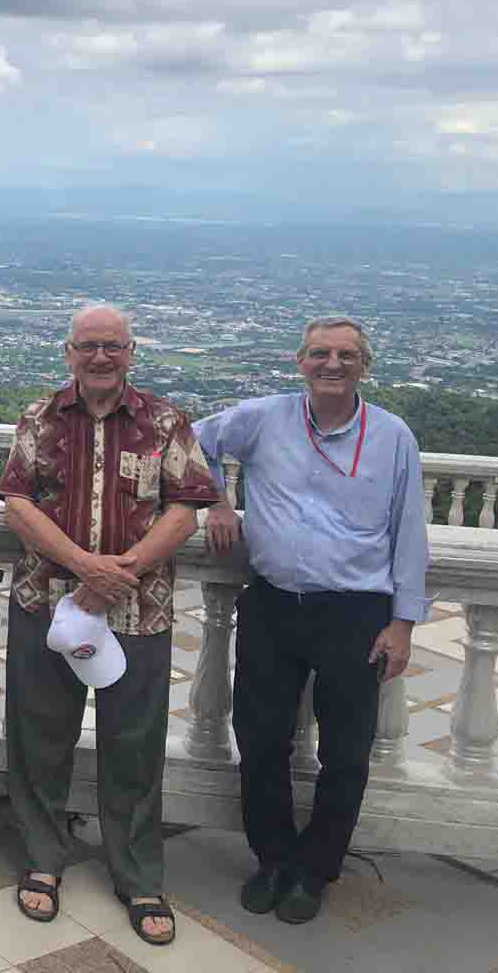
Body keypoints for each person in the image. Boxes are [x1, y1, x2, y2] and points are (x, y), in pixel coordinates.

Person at [0, 303, 219, 945]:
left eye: (113, 346)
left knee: (135, 744)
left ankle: (139, 874)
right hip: (47, 603)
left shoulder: (165, 421)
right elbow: (16, 503)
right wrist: (84, 566)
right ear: (69, 352)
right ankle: (43, 859)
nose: (100, 357)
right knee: (39, 737)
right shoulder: (39, 418)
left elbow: (186, 508)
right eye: (88, 345)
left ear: (131, 353)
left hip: (138, 610)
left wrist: (123, 572)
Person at [195, 317, 428, 925]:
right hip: (273, 601)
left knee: (347, 749)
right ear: (300, 362)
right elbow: (189, 444)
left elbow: (410, 531)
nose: (333, 364)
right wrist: (218, 502)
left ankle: (316, 868)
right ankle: (273, 858)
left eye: (346, 355)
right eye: (320, 353)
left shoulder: (392, 435)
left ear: (364, 366)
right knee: (260, 738)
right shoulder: (264, 417)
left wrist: (404, 622)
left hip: (357, 611)